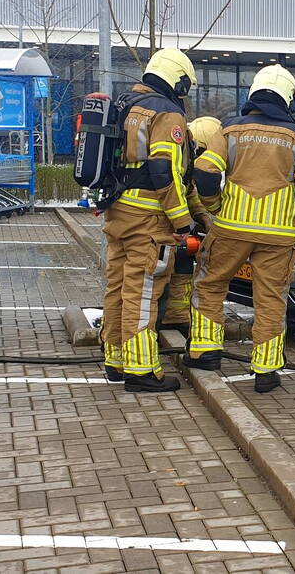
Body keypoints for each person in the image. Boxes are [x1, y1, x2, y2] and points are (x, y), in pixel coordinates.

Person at [189, 65, 295, 394]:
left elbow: (205, 172)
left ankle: (206, 351)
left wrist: (214, 207)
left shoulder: (231, 129)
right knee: (271, 299)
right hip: (277, 236)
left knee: (210, 285)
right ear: (288, 98)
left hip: (231, 229)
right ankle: (266, 370)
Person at [100, 49, 197, 393]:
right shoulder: (166, 113)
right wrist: (182, 220)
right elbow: (164, 169)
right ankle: (141, 370)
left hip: (119, 211)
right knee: (143, 293)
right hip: (149, 218)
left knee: (117, 287)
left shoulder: (126, 104)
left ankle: (115, 359)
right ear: (178, 79)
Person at [159, 116, 221, 334]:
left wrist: (203, 216)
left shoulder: (188, 164)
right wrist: (185, 225)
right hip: (163, 226)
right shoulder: (179, 159)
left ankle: (175, 316)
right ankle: (161, 319)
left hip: (176, 227)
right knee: (159, 273)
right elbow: (173, 191)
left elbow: (189, 191)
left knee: (183, 264)